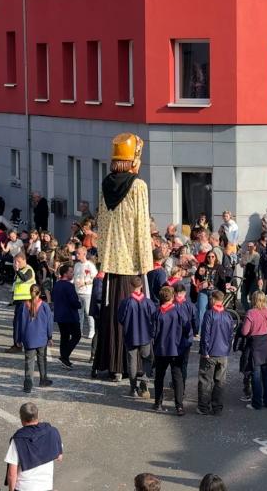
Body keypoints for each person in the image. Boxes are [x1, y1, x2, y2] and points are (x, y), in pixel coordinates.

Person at [94, 134, 151, 380]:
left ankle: (112, 365)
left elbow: (102, 224)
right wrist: (145, 264)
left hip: (111, 264)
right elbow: (142, 226)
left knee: (111, 316)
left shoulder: (105, 184)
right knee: (133, 317)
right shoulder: (138, 187)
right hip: (131, 266)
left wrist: (103, 259)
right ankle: (131, 367)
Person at [153, 285, 195, 415]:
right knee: (177, 377)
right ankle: (179, 406)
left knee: (159, 376)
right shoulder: (178, 311)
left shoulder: (157, 313)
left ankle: (158, 403)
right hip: (176, 349)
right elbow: (187, 327)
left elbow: (153, 332)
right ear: (172, 297)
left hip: (161, 349)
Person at [5, 403, 62, 491]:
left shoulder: (18, 440)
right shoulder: (53, 432)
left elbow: (12, 474)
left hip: (24, 487)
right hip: (45, 487)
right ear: (37, 415)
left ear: (22, 419)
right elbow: (59, 457)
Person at [197, 290, 234, 415]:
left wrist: (204, 350)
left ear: (212, 299)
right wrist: (227, 349)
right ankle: (217, 407)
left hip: (210, 352)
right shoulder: (228, 316)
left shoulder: (209, 314)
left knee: (205, 380)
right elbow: (230, 336)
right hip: (223, 353)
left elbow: (205, 334)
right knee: (220, 381)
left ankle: (203, 407)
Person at [14, 285, 53, 393]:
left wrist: (18, 339)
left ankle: (28, 385)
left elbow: (18, 323)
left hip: (28, 338)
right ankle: (43, 379)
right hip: (41, 338)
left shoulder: (23, 306)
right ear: (40, 293)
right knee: (42, 359)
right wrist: (50, 337)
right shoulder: (45, 306)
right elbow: (49, 323)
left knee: (29, 362)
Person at [242, 291, 267, 411]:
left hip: (256, 343)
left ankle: (256, 403)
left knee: (256, 376)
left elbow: (245, 332)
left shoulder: (251, 313)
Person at [49, 264, 81, 368]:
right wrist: (78, 304)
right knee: (77, 335)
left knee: (64, 337)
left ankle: (65, 359)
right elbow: (74, 301)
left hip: (60, 315)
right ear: (65, 274)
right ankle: (64, 356)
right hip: (70, 316)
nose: (73, 274)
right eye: (71, 272)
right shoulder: (69, 286)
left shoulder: (57, 284)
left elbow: (53, 297)